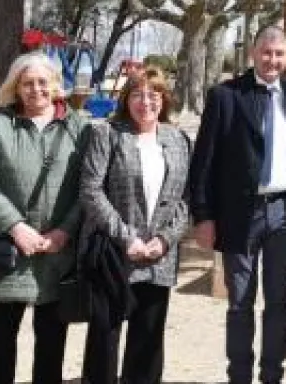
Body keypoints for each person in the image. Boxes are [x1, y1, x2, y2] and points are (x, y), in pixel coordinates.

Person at [189, 26, 286, 384]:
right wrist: (203, 215)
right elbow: (204, 162)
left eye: (279, 54)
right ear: (253, 54)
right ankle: (239, 376)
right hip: (239, 215)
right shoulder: (225, 96)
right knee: (240, 302)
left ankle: (272, 375)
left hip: (285, 214)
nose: (272, 60)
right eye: (266, 52)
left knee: (278, 303)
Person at [0, 51, 88, 384]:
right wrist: (15, 227)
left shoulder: (80, 126)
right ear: (16, 88)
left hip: (57, 254)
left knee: (51, 347)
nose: (36, 89)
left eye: (42, 81)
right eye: (27, 83)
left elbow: (89, 187)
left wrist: (65, 230)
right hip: (7, 253)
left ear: (55, 84)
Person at [79, 66, 192, 384]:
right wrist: (126, 238)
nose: (146, 102)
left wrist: (166, 239)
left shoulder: (178, 139)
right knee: (105, 338)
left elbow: (187, 198)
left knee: (148, 343)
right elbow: (90, 190)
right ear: (126, 99)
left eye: (154, 94)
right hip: (114, 253)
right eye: (138, 94)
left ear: (164, 100)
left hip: (158, 256)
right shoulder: (107, 134)